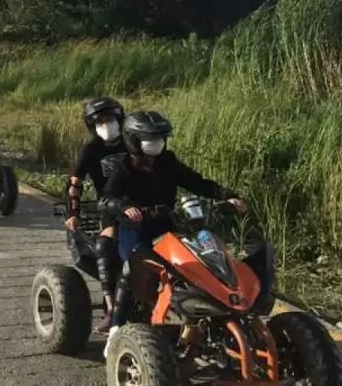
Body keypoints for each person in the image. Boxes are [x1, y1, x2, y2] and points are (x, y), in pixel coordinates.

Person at [104, 110, 248, 340]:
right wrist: (124, 208)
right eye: (151, 140)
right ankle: (116, 327)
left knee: (202, 259)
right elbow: (107, 199)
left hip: (167, 225)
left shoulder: (167, 162)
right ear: (133, 141)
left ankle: (204, 318)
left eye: (161, 139)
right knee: (134, 266)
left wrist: (227, 195)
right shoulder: (123, 169)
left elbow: (197, 183)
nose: (158, 144)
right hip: (136, 228)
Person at [64, 97, 126, 333]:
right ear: (92, 125)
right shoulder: (90, 150)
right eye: (100, 122)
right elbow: (75, 183)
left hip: (142, 203)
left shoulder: (133, 142)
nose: (106, 125)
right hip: (110, 207)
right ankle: (112, 308)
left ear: (120, 119)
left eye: (110, 120)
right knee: (106, 247)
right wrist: (74, 212)